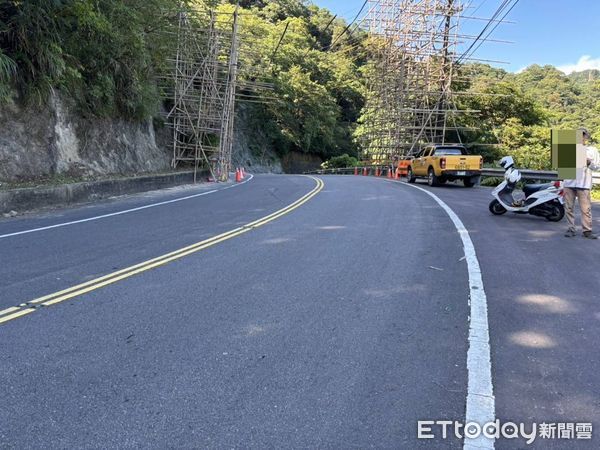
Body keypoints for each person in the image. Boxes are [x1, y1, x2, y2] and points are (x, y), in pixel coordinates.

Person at [563, 128, 600, 239]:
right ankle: (571, 228)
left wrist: (589, 162)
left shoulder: (592, 150)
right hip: (569, 182)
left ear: (586, 137)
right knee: (568, 208)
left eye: (583, 135)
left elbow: (597, 166)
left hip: (584, 184)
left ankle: (587, 231)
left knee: (586, 209)